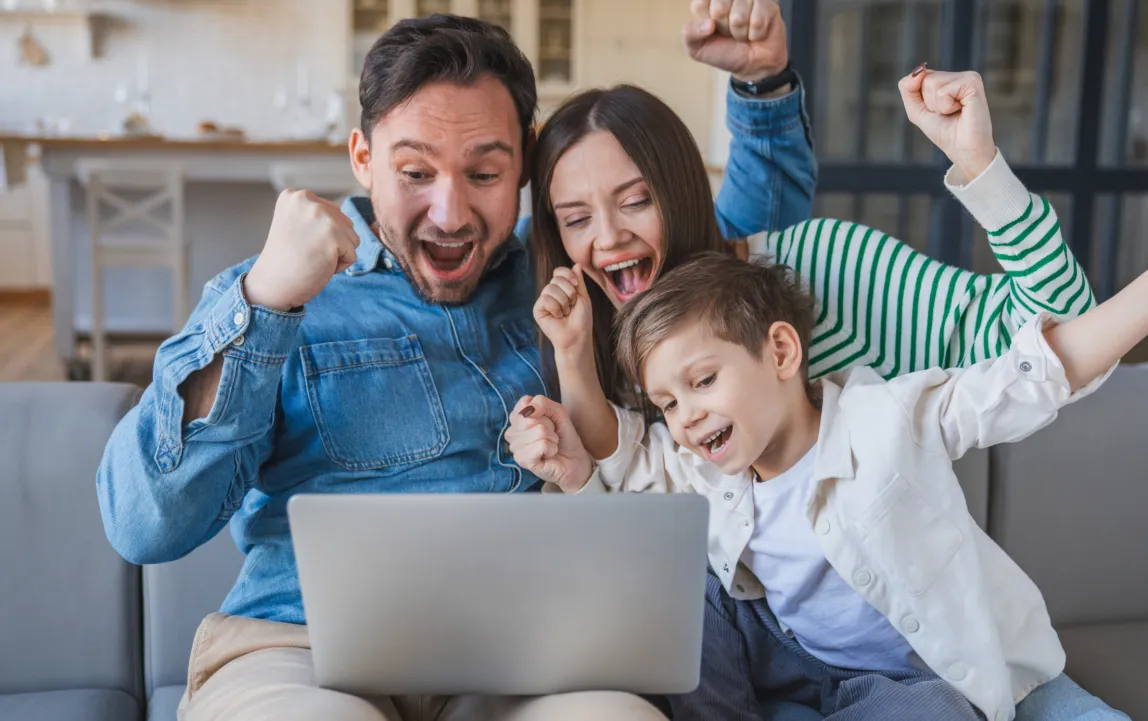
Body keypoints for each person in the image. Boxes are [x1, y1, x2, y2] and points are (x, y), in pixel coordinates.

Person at [93, 5, 816, 720]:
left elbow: (718, 233)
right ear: (363, 158)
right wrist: (265, 299)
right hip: (300, 652)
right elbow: (144, 524)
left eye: (483, 172)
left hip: (523, 662)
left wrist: (760, 85)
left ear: (525, 163)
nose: (449, 212)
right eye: (415, 172)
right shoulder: (269, 297)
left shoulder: (564, 266)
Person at [506, 197, 1148, 719]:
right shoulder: (703, 460)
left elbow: (1036, 374)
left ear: (780, 352)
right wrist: (572, 457)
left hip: (914, 681)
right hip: (789, 660)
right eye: (667, 403)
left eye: (702, 382)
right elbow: (622, 469)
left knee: (932, 712)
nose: (685, 416)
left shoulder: (887, 419)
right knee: (681, 573)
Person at [528, 67, 1094, 473]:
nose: (607, 238)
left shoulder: (821, 265)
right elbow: (622, 484)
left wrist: (977, 162)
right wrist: (574, 357)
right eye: (576, 218)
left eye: (635, 201)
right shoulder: (600, 335)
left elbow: (1059, 331)